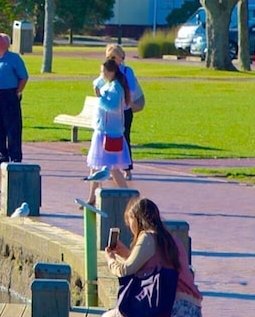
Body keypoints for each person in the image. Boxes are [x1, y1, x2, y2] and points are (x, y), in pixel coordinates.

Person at [104, 198, 203, 317]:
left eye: (128, 221)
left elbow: (125, 270)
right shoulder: (173, 241)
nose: (129, 227)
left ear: (135, 218)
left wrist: (110, 260)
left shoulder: (148, 237)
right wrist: (126, 254)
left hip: (168, 306)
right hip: (192, 308)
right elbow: (155, 264)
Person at [86, 59, 133, 199]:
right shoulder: (108, 84)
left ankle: (129, 196)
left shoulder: (116, 88)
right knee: (95, 167)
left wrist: (100, 97)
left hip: (110, 132)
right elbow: (97, 82)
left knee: (113, 168)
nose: (101, 74)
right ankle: (91, 198)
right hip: (102, 130)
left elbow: (112, 107)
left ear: (111, 72)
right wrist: (100, 82)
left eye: (104, 71)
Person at [0, 34, 29, 166]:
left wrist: (18, 91)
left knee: (12, 128)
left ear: (5, 44)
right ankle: (2, 157)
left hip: (9, 95)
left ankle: (15, 158)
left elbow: (23, 77)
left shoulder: (14, 59)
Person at [107, 44, 146, 179]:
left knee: (124, 138)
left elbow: (132, 90)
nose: (112, 60)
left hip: (124, 111)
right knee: (111, 139)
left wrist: (124, 101)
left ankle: (127, 169)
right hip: (111, 111)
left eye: (114, 57)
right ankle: (113, 168)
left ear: (121, 57)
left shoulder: (127, 71)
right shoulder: (108, 70)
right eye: (109, 57)